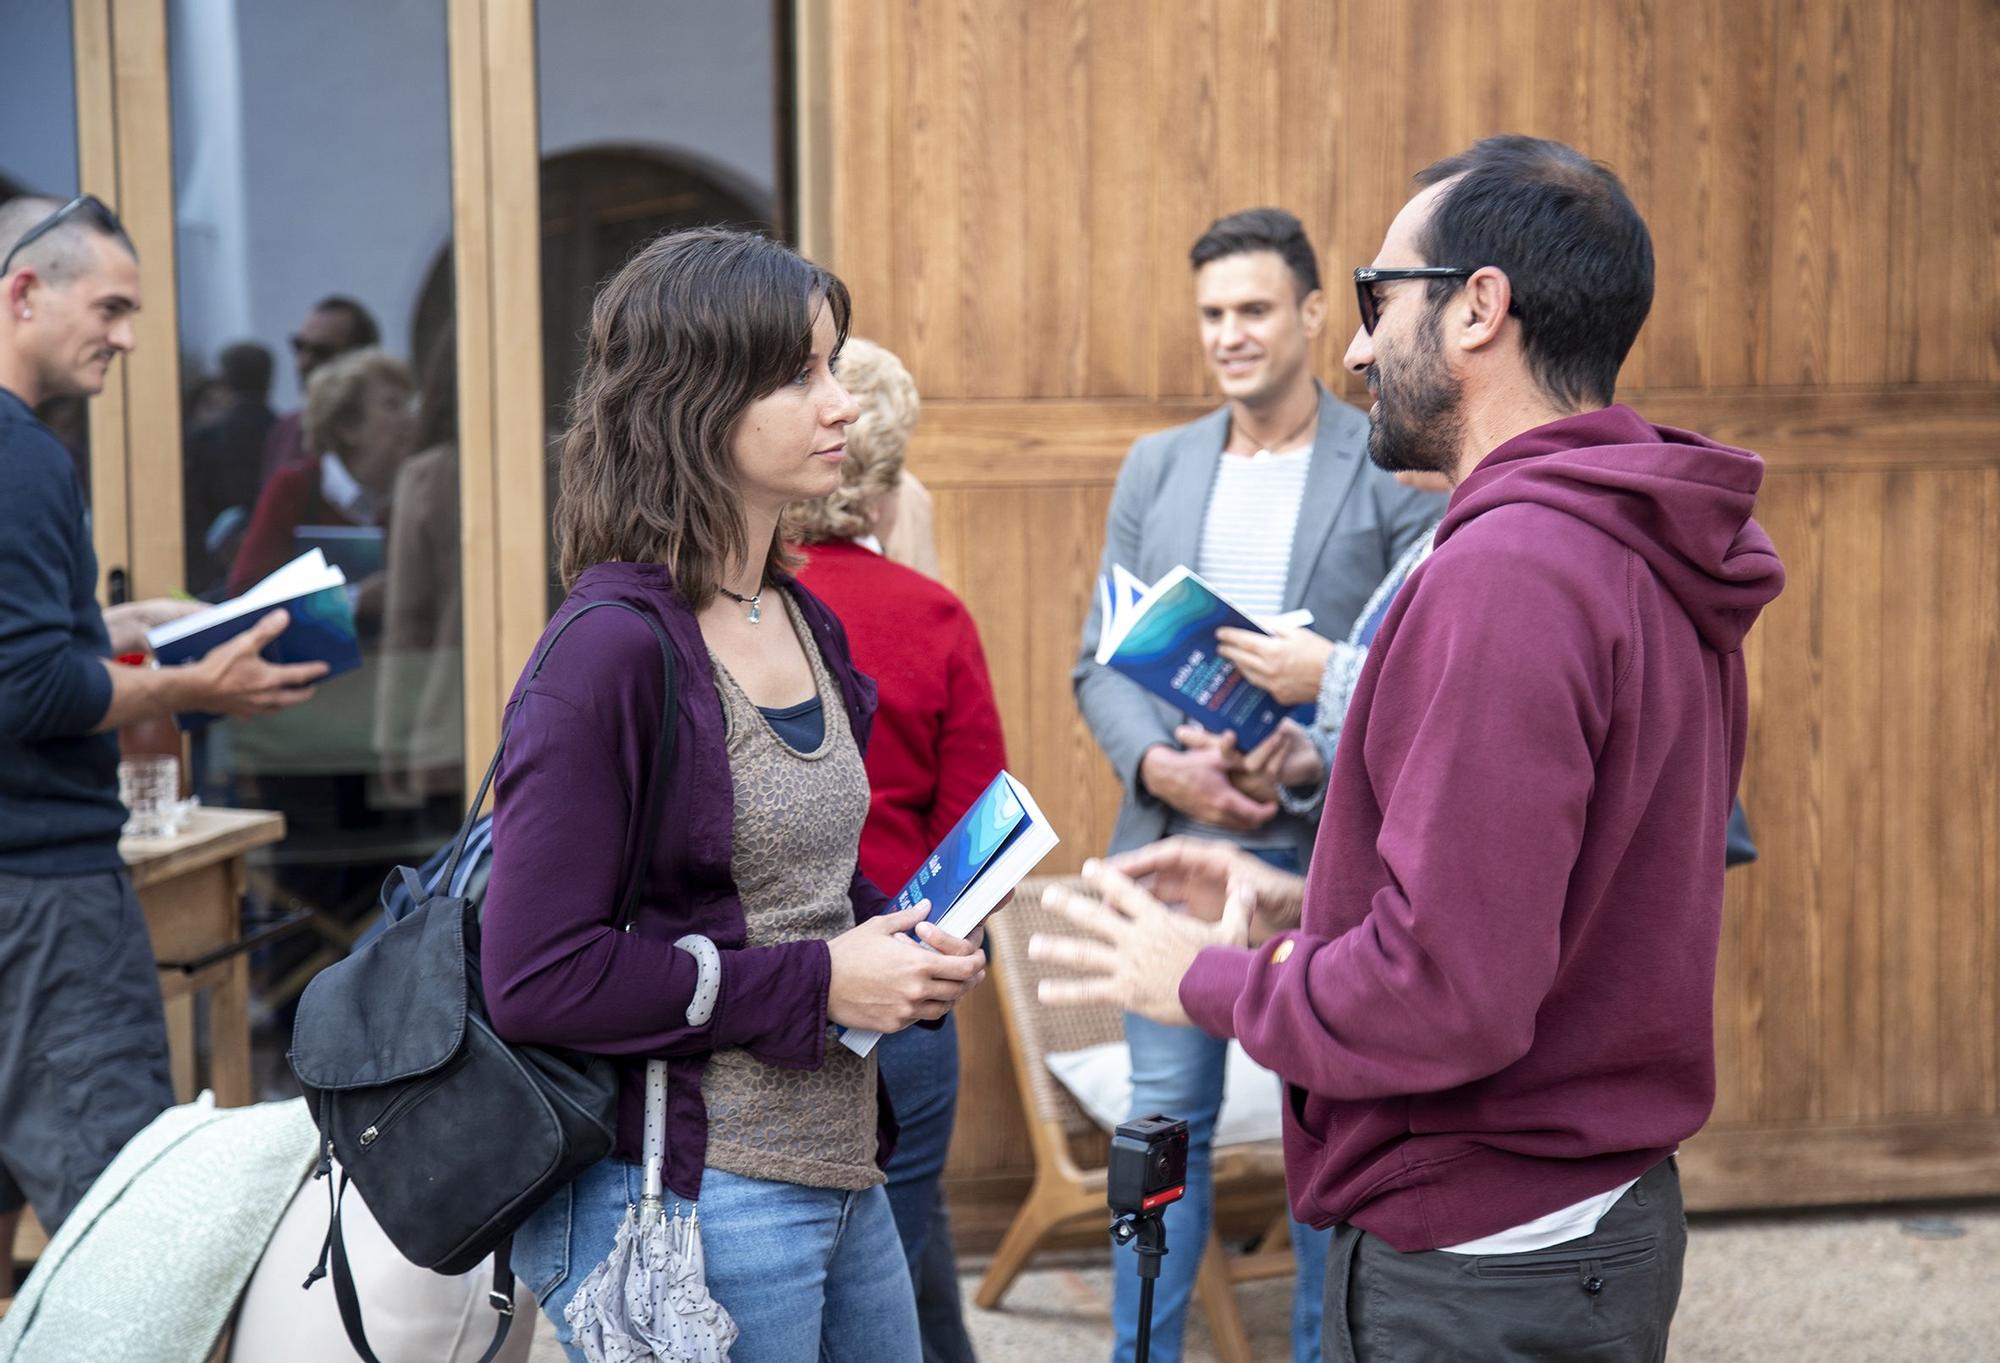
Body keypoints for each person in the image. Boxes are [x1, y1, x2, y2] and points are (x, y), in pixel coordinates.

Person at [1032, 135, 1786, 1362]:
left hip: (1485, 1255)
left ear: (1479, 306)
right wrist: (1292, 902)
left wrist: (1204, 978)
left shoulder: (1507, 575)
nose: (1358, 345)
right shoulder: (1632, 540)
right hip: (1579, 1217)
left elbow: (1447, 993)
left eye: (1379, 299)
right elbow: (1546, 903)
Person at [481, 227, 993, 1363]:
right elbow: (534, 977)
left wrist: (899, 943)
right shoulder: (607, 651)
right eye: (798, 374)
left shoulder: (800, 616)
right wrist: (824, 979)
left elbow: (795, 885)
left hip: (842, 1163)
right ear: (695, 400)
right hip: (692, 1198)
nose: (840, 404)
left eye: (833, 364)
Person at [1071, 206, 1442, 1363]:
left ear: (1313, 314)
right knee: (1159, 1145)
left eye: (1251, 310)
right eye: (1210, 316)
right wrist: (1155, 758)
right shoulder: (1157, 464)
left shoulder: (1383, 466)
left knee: (1315, 1144)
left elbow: (1409, 669)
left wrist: (1314, 750)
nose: (1228, 335)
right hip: (1173, 856)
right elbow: (1097, 658)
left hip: (1317, 863)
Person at [0, 194, 326, 1259]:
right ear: (22, 293)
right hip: (46, 905)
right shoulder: (26, 459)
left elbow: (33, 645)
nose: (129, 338)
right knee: (125, 1243)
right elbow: (34, 687)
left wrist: (127, 629)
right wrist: (200, 686)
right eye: (110, 306)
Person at [788, 336, 1005, 1363]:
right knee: (887, 1247)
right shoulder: (930, 614)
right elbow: (977, 844)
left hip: (770, 986)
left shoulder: (734, 608)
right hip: (907, 980)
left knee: (897, 1261)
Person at [225, 347, 414, 612]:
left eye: (409, 404)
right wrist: (355, 599)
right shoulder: (296, 488)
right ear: (347, 427)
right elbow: (247, 592)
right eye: (393, 405)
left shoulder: (412, 492)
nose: (411, 418)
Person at [182, 340, 277, 595]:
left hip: (212, 567)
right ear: (269, 380)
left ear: (224, 380)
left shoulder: (205, 438)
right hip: (269, 567)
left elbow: (190, 507)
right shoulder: (281, 432)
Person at [257, 294, 379, 485]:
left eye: (321, 352)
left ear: (359, 358)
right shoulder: (284, 431)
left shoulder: (382, 434)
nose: (303, 362)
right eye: (299, 346)